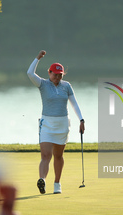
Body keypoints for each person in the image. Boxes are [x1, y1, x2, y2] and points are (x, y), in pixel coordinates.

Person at [27, 50, 85, 194]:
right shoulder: (42, 84)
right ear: (49, 73)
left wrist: (81, 119)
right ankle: (42, 180)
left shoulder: (66, 86)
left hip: (63, 124)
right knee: (45, 155)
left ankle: (57, 184)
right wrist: (37, 58)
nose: (57, 77)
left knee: (58, 156)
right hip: (46, 124)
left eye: (60, 75)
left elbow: (74, 104)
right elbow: (30, 73)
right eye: (55, 74)